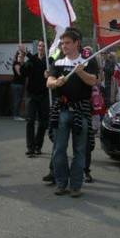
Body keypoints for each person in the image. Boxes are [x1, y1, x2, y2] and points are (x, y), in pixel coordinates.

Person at [47, 28, 98, 197]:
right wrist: (56, 82)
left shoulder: (88, 61)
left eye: (67, 43)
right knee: (59, 149)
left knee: (80, 150)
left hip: (81, 111)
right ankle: (61, 183)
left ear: (77, 43)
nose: (64, 46)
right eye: (62, 43)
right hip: (61, 110)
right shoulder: (58, 62)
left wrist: (80, 71)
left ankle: (76, 186)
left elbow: (93, 81)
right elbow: (49, 81)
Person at [20, 41, 49, 157]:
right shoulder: (31, 60)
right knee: (30, 120)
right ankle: (30, 147)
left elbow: (40, 65)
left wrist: (27, 53)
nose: (41, 48)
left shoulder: (49, 60)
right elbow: (23, 74)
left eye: (43, 46)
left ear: (46, 48)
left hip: (44, 95)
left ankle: (38, 146)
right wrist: (22, 61)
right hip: (31, 95)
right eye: (39, 46)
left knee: (43, 123)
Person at [11, 49, 26, 121]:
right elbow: (20, 73)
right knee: (17, 100)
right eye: (19, 56)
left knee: (19, 100)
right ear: (17, 56)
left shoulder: (21, 63)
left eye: (22, 56)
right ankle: (15, 115)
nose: (21, 57)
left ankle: (17, 114)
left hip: (20, 84)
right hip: (17, 84)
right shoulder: (16, 64)